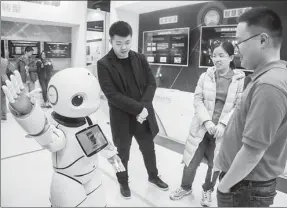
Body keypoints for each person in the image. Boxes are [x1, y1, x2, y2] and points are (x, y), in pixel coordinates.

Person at [2, 68, 125, 207]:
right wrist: (28, 111)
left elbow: (98, 138)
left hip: (93, 173)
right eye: (79, 99)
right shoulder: (57, 126)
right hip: (67, 178)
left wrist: (111, 155)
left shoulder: (89, 119)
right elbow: (50, 139)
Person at [215, 7, 287, 207]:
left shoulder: (269, 85)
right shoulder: (268, 77)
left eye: (240, 42)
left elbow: (253, 151)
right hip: (244, 183)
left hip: (245, 187)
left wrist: (224, 186)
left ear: (262, 40)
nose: (237, 49)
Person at [97, 21, 169, 199]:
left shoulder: (140, 58)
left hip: (142, 117)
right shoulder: (103, 64)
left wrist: (143, 109)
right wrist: (139, 108)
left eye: (127, 42)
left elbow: (151, 83)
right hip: (121, 117)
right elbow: (112, 95)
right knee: (121, 153)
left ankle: (153, 176)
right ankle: (123, 182)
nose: (124, 47)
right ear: (111, 41)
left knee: (148, 148)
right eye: (119, 43)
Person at [169, 41, 245, 206]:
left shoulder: (239, 79)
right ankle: (185, 186)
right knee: (191, 160)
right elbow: (198, 99)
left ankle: (207, 190)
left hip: (222, 132)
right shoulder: (206, 76)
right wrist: (207, 121)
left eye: (221, 55)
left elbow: (238, 106)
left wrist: (223, 124)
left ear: (231, 57)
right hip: (203, 127)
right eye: (214, 55)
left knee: (214, 164)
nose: (216, 59)